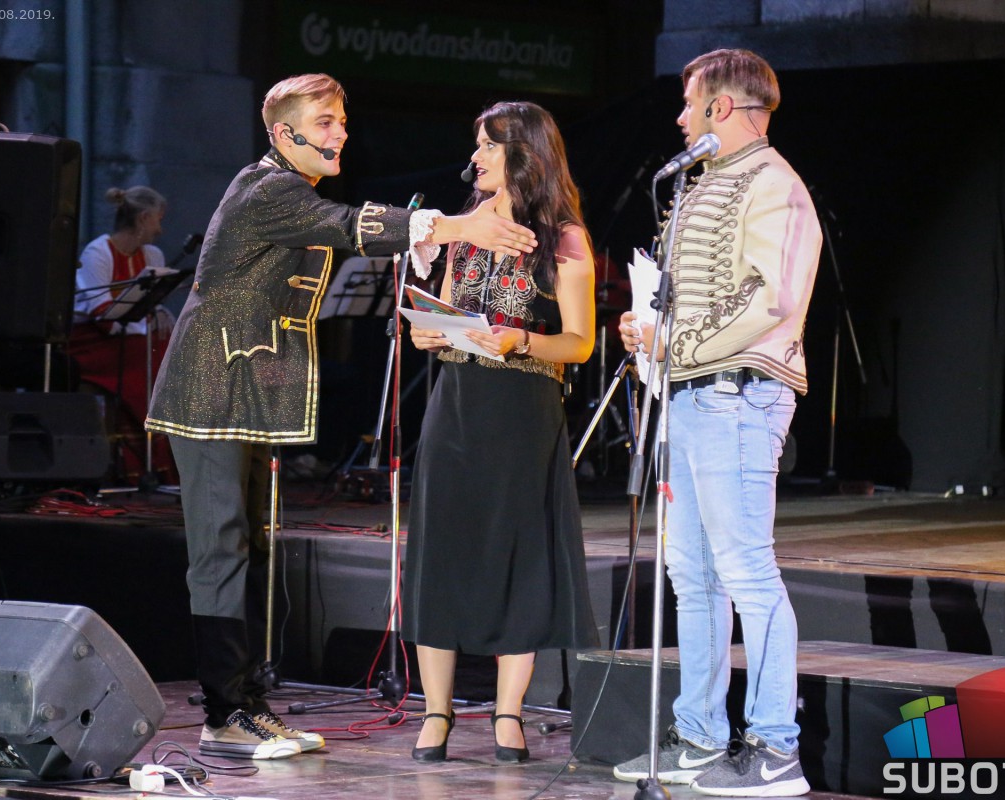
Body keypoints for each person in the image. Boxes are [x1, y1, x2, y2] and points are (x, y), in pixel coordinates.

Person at [144, 74, 538, 761]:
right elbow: (348, 225)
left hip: (244, 390)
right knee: (221, 551)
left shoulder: (289, 190)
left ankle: (247, 704)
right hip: (209, 393)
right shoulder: (266, 189)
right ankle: (223, 713)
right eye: (324, 123)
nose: (339, 134)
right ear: (284, 133)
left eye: (342, 122)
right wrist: (455, 226)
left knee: (249, 548)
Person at [611, 49, 821, 797]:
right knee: (693, 575)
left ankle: (775, 748)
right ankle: (700, 735)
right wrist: (650, 329)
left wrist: (681, 344)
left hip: (738, 395)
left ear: (721, 107)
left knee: (746, 572)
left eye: (689, 102)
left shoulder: (773, 184)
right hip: (695, 395)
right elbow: (694, 293)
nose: (679, 117)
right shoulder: (706, 183)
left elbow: (772, 299)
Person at [402, 101, 599, 764]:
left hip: (522, 412)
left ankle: (508, 712)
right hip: (456, 403)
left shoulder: (564, 238)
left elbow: (579, 343)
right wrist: (428, 333)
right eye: (478, 144)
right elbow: (443, 311)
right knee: (441, 551)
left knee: (519, 554)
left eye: (489, 146)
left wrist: (522, 341)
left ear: (524, 154)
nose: (477, 157)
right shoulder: (463, 228)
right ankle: (436, 710)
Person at [69, 186, 176, 482]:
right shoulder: (97, 252)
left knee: (172, 348)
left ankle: (168, 449)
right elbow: (103, 317)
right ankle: (152, 452)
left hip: (131, 339)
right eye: (158, 220)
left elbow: (149, 308)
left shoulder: (153, 255)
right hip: (92, 342)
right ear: (143, 219)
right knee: (148, 354)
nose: (160, 229)